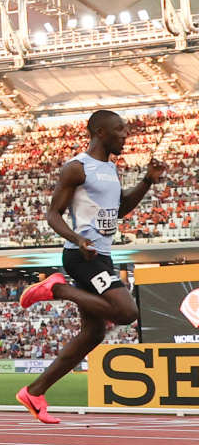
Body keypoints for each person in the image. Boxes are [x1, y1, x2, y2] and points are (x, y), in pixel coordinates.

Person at [17, 110, 166, 424]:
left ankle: (34, 391)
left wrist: (147, 182)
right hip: (82, 255)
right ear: (101, 131)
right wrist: (78, 240)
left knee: (93, 332)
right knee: (127, 313)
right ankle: (57, 288)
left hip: (102, 255)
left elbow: (121, 207)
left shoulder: (110, 168)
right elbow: (53, 215)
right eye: (120, 129)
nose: (126, 135)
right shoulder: (77, 167)